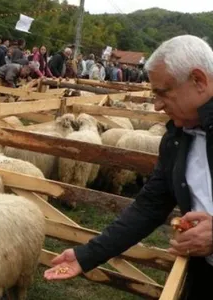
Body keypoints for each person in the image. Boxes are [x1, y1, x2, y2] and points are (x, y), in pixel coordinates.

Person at [44, 34, 213, 300]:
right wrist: (87, 254)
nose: (156, 105)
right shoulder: (176, 140)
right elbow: (149, 207)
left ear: (198, 81)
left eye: (163, 93)